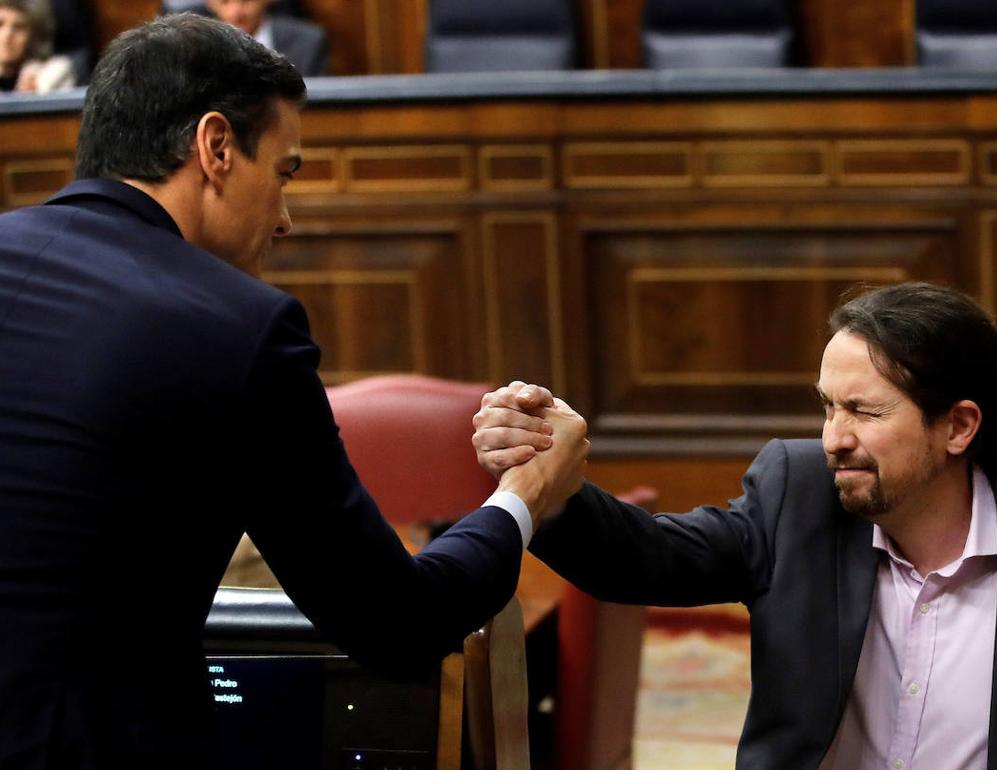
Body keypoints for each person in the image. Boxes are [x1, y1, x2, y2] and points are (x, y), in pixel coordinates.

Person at [0, 14, 585, 767]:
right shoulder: (236, 327)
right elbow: (394, 622)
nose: (283, 219)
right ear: (215, 148)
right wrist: (526, 496)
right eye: (282, 173)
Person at [473, 282, 997, 770]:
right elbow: (646, 560)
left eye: (863, 412)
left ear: (958, 427)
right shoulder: (799, 494)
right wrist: (551, 480)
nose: (833, 437)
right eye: (828, 406)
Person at [204, 0, 328, 76]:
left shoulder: (307, 42)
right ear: (211, 3)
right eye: (225, 1)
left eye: (247, 0)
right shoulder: (199, 45)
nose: (236, 12)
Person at [0, 0, 74, 93]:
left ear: (35, 36)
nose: (7, 35)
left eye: (19, 27)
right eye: (0, 24)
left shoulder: (53, 71)